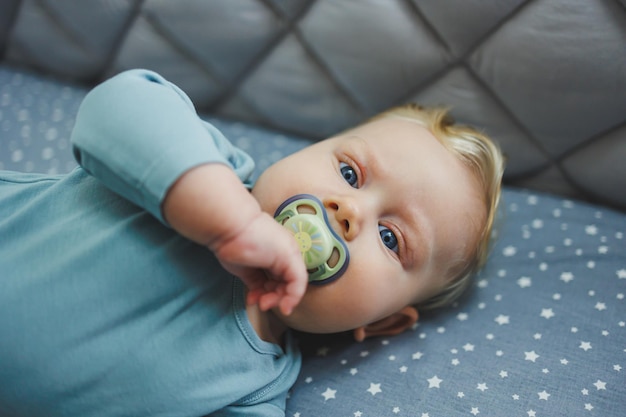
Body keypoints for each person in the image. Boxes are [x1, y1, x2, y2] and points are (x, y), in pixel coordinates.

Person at [0, 69, 503, 416]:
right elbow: (117, 104)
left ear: (381, 323)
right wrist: (225, 217)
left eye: (391, 238)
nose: (350, 211)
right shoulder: (206, 167)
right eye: (350, 172)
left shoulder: (255, 389)